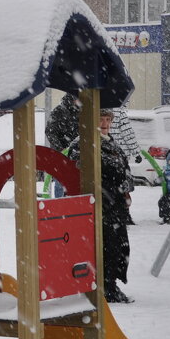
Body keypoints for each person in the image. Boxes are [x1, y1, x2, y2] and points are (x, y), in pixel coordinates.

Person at [69, 109, 134, 303]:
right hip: (97, 209)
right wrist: (112, 185)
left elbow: (125, 171)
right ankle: (103, 287)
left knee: (118, 248)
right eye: (100, 119)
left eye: (108, 119)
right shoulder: (82, 144)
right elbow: (87, 173)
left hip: (116, 209)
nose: (105, 123)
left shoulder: (112, 144)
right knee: (102, 248)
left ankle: (111, 284)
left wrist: (125, 184)